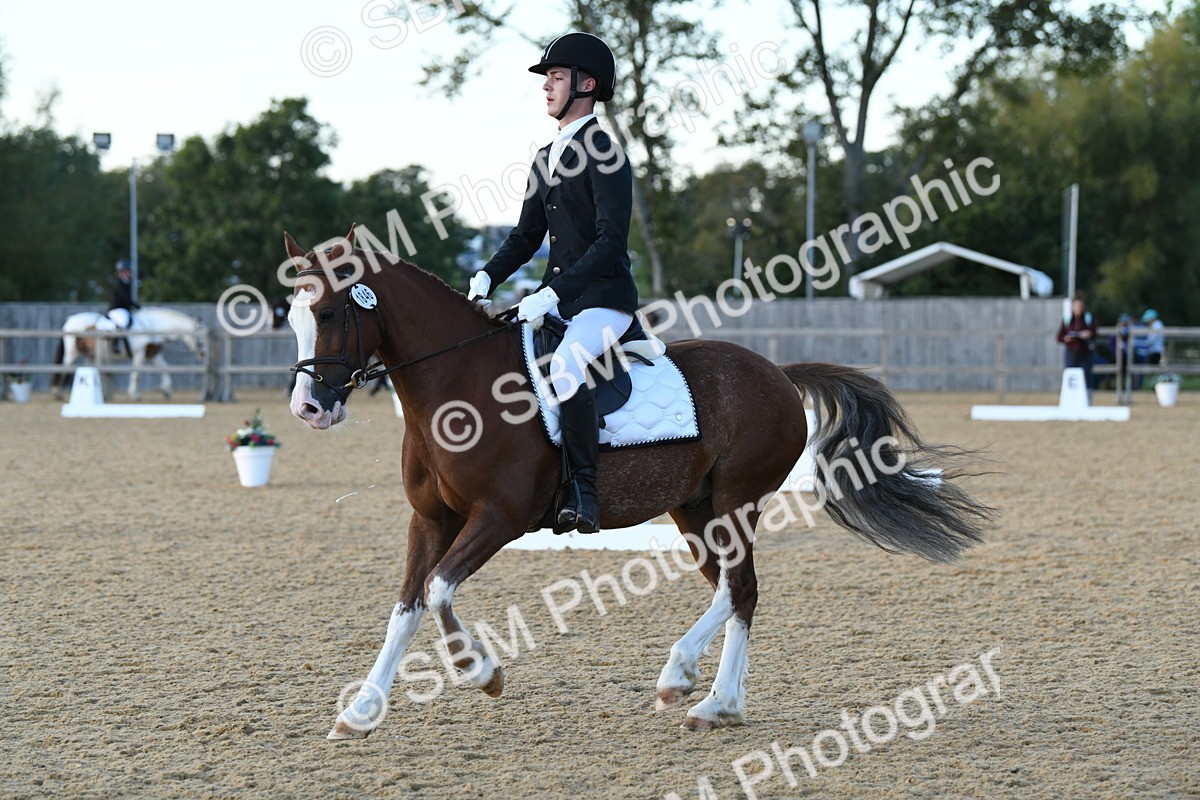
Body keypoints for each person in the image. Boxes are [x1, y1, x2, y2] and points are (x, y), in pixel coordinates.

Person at [467, 32, 638, 534]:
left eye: (556, 77)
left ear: (586, 84)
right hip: (558, 303)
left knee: (564, 364)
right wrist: (487, 275)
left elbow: (610, 241)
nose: (546, 87)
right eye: (547, 78)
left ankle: (585, 491)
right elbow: (525, 237)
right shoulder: (544, 156)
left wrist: (552, 293)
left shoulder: (604, 149)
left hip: (604, 302)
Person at [1056, 295, 1098, 396]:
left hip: (1085, 353)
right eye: (1076, 306)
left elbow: (1095, 333)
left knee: (1086, 377)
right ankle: (1070, 397)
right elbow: (1059, 337)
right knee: (1070, 376)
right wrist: (1066, 338)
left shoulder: (1088, 318)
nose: (1078, 308)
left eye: (1080, 306)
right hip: (1071, 353)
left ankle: (1087, 400)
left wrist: (1088, 334)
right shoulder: (1068, 320)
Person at [102, 259, 139, 354]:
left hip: (124, 309)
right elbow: (125, 299)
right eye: (127, 271)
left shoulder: (126, 283)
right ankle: (115, 345)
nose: (129, 273)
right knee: (123, 322)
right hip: (117, 310)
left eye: (129, 271)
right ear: (121, 272)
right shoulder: (118, 284)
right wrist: (134, 305)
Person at [1133, 308, 1165, 388]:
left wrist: (1141, 343)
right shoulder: (1157, 325)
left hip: (1155, 351)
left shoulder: (1157, 325)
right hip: (1154, 350)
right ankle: (1154, 386)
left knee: (1154, 370)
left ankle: (1155, 386)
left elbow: (1151, 339)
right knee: (1154, 370)